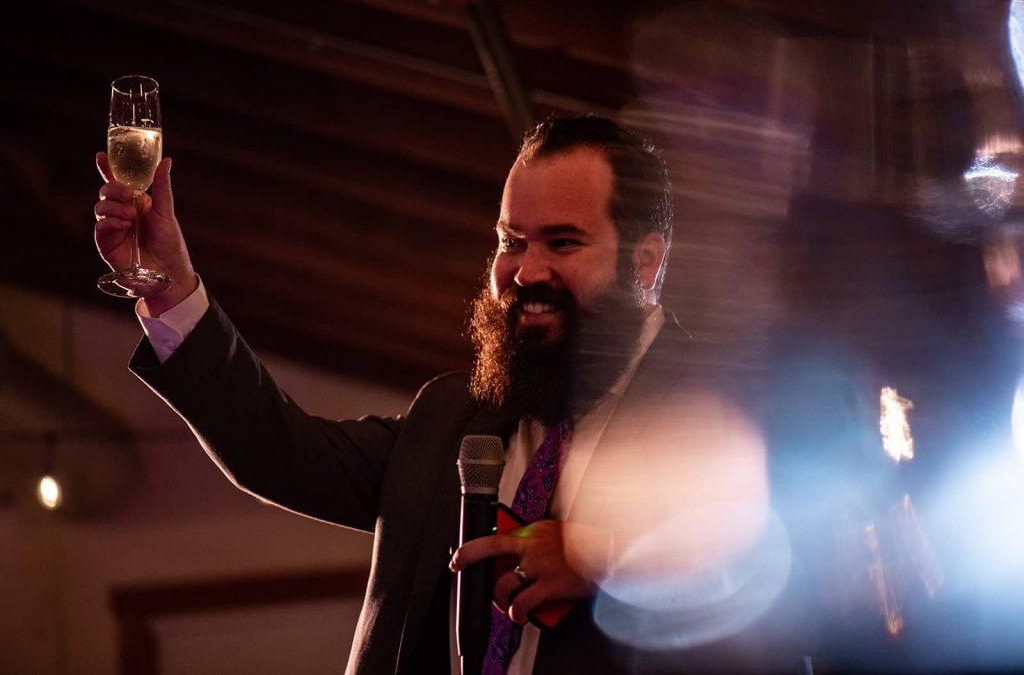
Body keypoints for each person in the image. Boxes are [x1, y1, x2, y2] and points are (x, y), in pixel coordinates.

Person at [94, 116, 786, 674]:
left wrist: (607, 554)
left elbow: (816, 552)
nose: (526, 271)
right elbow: (279, 453)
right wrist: (170, 289)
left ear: (646, 261)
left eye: (564, 242)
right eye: (510, 241)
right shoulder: (452, 415)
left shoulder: (731, 403)